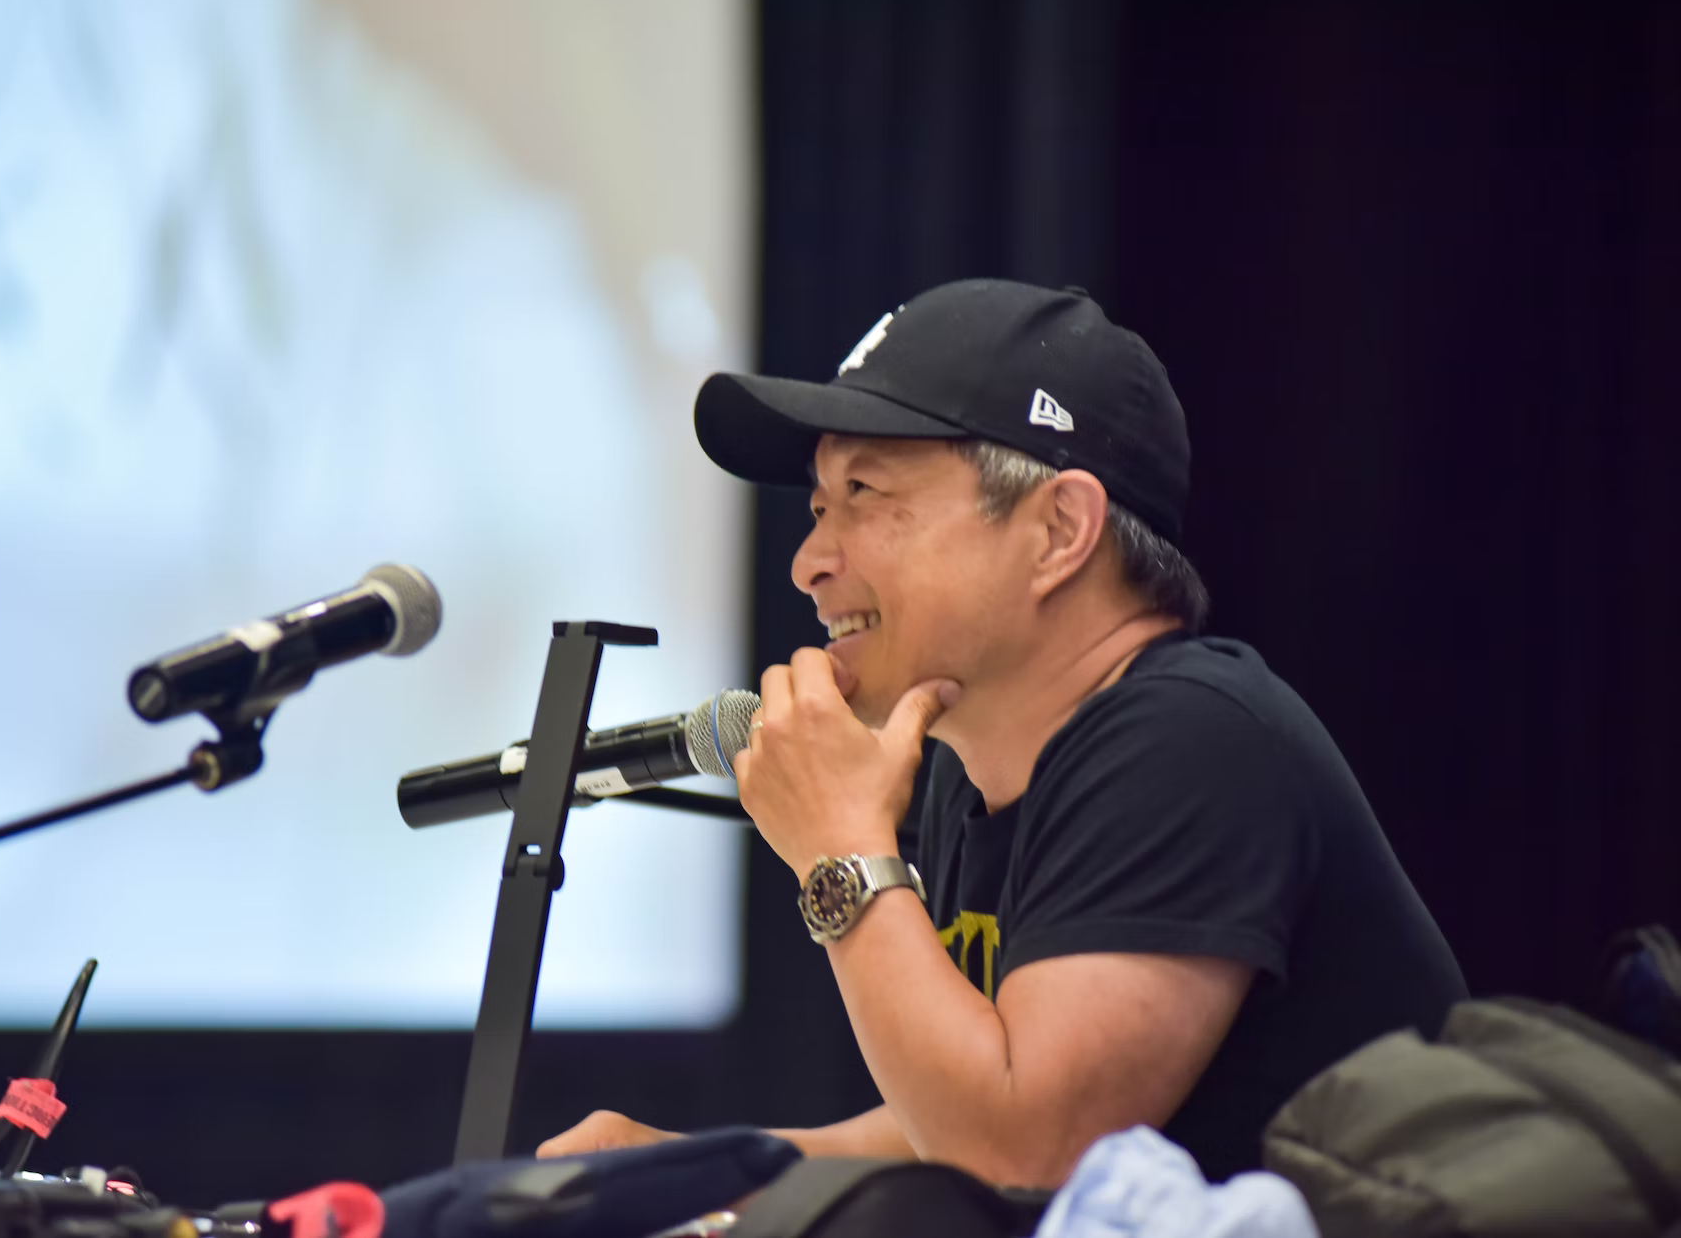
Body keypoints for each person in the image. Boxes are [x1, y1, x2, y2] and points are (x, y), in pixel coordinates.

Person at [537, 279, 1466, 1185]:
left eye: (865, 492)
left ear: (1059, 531)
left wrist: (840, 850)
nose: (808, 562)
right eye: (820, 507)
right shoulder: (969, 776)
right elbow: (948, 1128)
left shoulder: (1189, 740)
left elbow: (1024, 1154)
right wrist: (701, 1173)